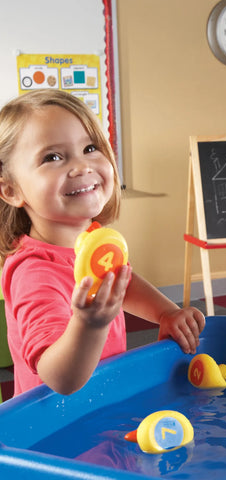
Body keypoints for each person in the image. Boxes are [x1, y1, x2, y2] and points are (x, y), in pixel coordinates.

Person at [0, 89, 205, 396]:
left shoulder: (92, 242)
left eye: (90, 148)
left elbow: (122, 281)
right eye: (52, 157)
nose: (82, 166)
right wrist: (89, 325)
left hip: (102, 400)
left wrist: (166, 313)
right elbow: (60, 380)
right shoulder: (35, 273)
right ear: (11, 190)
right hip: (61, 420)